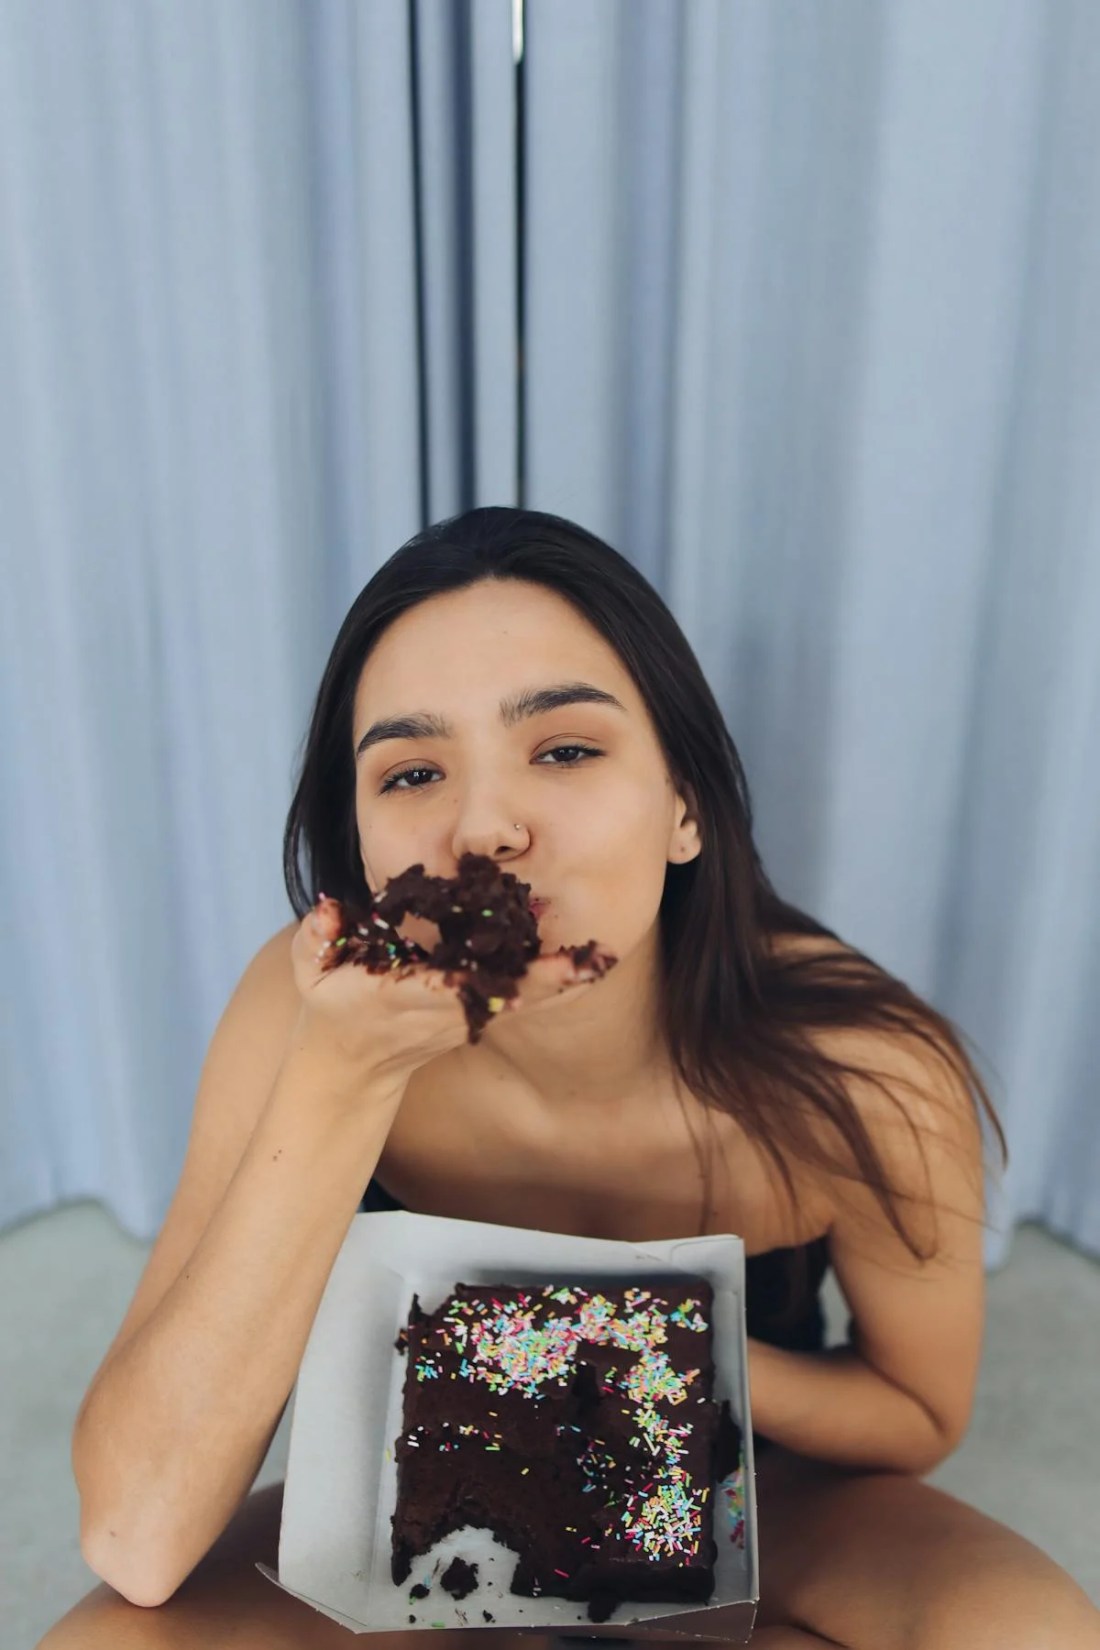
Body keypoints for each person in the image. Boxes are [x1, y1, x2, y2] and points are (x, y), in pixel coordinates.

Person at [44, 508, 1100, 1649]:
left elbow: (917, 1415)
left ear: (684, 806)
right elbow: (136, 1538)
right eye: (410, 771)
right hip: (426, 1502)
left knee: (1023, 1630)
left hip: (744, 1486)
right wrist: (341, 1077)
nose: (484, 826)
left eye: (563, 750)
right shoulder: (300, 1014)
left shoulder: (864, 1072)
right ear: (359, 850)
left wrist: (642, 1342)